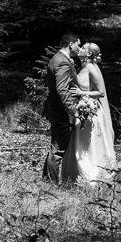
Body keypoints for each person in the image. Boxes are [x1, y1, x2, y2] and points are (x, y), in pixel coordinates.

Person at [69, 42, 118, 184]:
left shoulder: (91, 67)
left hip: (92, 111)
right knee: (83, 143)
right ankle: (80, 175)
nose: (80, 49)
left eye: (83, 48)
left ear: (89, 53)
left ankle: (94, 175)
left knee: (90, 144)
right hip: (83, 108)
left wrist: (82, 93)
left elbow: (101, 92)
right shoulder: (83, 67)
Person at [41, 31, 82, 183]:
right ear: (71, 44)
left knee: (55, 146)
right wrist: (74, 110)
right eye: (79, 44)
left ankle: (46, 180)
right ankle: (51, 184)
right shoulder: (63, 62)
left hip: (56, 109)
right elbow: (62, 90)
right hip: (62, 112)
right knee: (58, 150)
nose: (80, 48)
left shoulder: (56, 59)